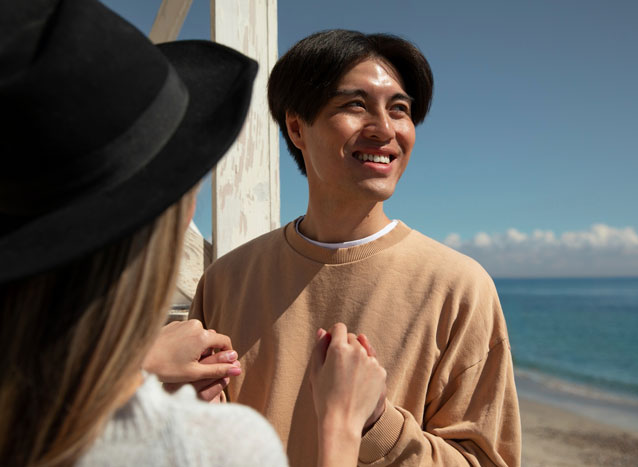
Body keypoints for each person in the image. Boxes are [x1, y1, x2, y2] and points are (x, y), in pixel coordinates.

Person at [0, 2, 385, 466]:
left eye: (399, 108)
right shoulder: (212, 445)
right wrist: (345, 425)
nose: (383, 128)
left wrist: (137, 368)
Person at [190, 29, 522, 466]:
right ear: (296, 127)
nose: (385, 129)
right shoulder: (227, 280)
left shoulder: (459, 286)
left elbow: (487, 460)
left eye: (399, 110)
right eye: (355, 105)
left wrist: (376, 423)